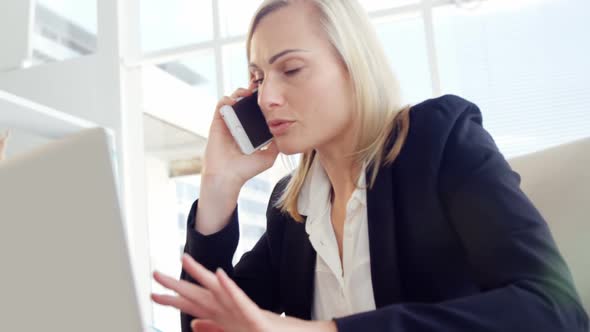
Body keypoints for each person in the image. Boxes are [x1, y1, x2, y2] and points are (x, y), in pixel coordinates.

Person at [151, 0, 589, 331]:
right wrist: (218, 185)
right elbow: (204, 325)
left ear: (353, 66)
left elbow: (554, 310)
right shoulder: (294, 208)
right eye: (259, 78)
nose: (267, 98)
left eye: (291, 69)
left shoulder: (439, 142)